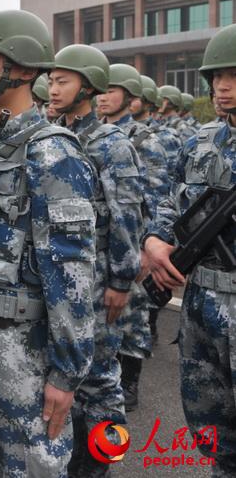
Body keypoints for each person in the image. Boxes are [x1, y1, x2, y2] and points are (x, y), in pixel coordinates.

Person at [0, 10, 96, 477]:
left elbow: (71, 273)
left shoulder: (53, 153)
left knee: (32, 468)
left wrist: (66, 373)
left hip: (21, 348)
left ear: (23, 68)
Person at [142, 23, 236, 476]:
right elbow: (169, 199)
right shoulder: (200, 141)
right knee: (214, 433)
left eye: (234, 75)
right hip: (202, 305)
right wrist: (155, 240)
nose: (222, 86)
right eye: (217, 76)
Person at [48, 45, 144, 477]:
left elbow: (126, 217)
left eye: (63, 81)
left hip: (99, 280)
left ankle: (103, 462)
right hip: (62, 281)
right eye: (51, 81)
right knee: (63, 376)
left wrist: (121, 281)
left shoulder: (111, 144)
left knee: (101, 382)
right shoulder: (52, 138)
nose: (53, 89)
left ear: (88, 87)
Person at [97, 64, 171, 411]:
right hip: (102, 240)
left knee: (132, 313)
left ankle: (129, 381)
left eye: (112, 91)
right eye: (102, 90)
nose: (104, 97)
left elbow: (156, 199)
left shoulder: (146, 141)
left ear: (129, 97)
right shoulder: (93, 134)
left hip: (133, 239)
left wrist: (146, 247)